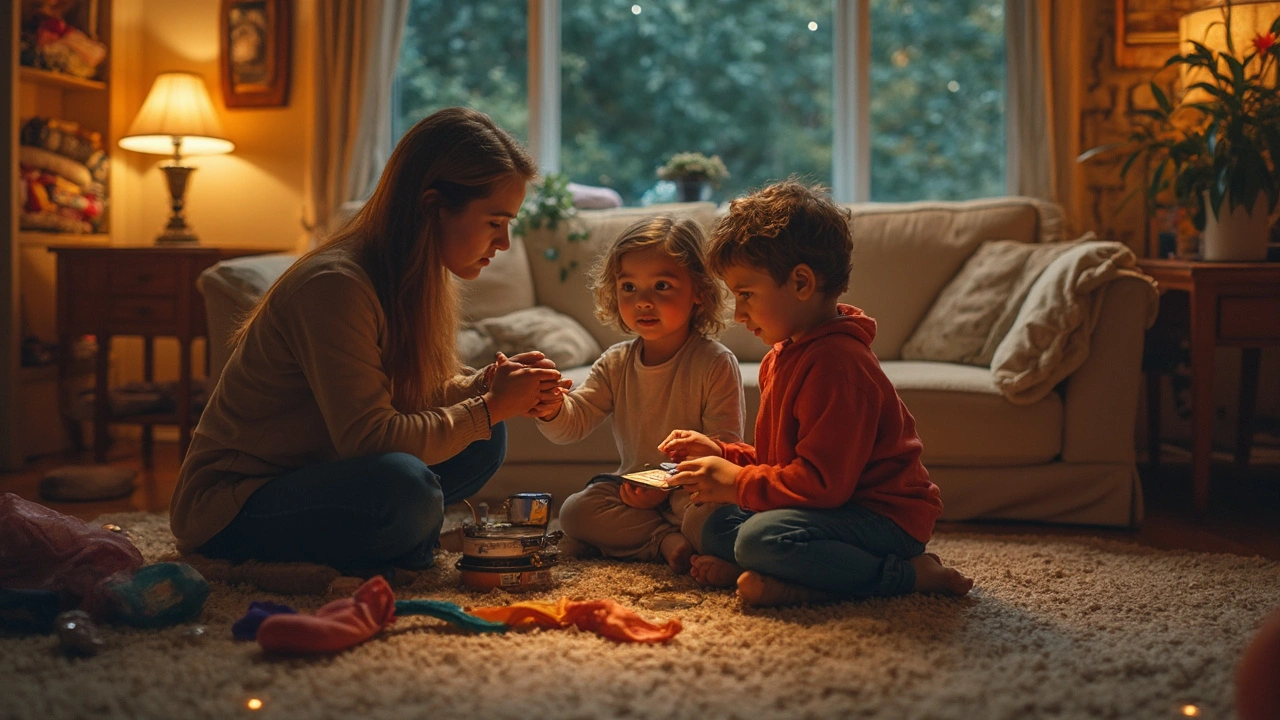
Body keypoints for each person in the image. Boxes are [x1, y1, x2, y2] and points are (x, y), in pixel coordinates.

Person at [169, 107, 567, 575]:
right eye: (495, 222)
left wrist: (486, 385)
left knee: (483, 439)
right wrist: (488, 406)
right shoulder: (335, 285)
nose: (503, 242)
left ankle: (396, 544)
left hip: (322, 470)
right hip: (237, 501)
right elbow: (371, 438)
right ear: (433, 205)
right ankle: (384, 547)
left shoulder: (418, 277)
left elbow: (408, 397)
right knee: (408, 488)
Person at [660, 179, 974, 607]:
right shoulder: (783, 355)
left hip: (881, 519)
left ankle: (906, 576)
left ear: (802, 282)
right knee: (709, 523)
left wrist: (736, 482)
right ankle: (791, 579)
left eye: (746, 294)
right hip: (826, 509)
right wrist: (722, 454)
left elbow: (824, 485)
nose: (738, 313)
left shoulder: (837, 365)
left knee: (760, 538)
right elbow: (784, 463)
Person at [536, 216, 745, 574]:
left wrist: (667, 483)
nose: (643, 301)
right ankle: (663, 541)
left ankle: (657, 540)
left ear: (699, 291)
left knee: (714, 522)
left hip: (691, 491)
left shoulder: (715, 363)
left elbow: (723, 447)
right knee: (575, 511)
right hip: (633, 491)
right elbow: (573, 423)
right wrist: (552, 407)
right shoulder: (616, 363)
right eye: (629, 287)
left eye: (661, 285)